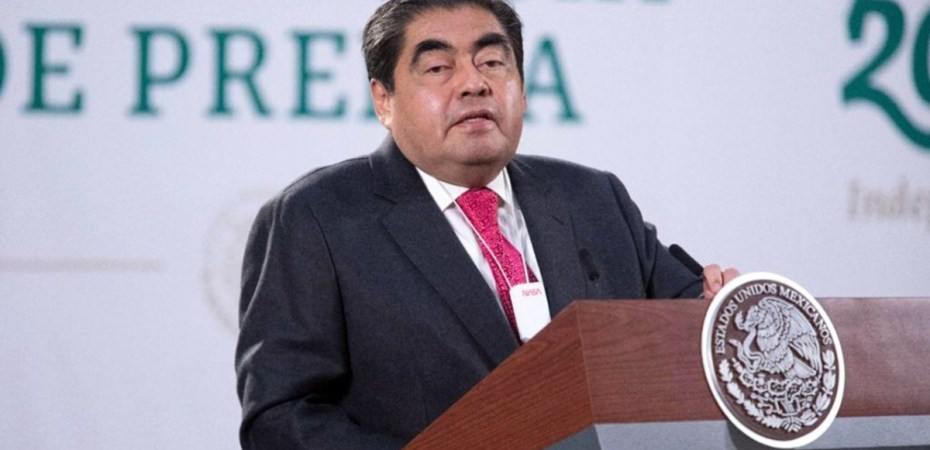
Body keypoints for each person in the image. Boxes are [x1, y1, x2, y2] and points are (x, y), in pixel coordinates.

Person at [235, 0, 738, 448]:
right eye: (438, 67)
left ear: (522, 87)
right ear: (384, 99)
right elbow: (280, 419)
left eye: (493, 62)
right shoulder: (318, 218)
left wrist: (722, 315)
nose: (474, 83)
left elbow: (686, 332)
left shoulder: (594, 199)